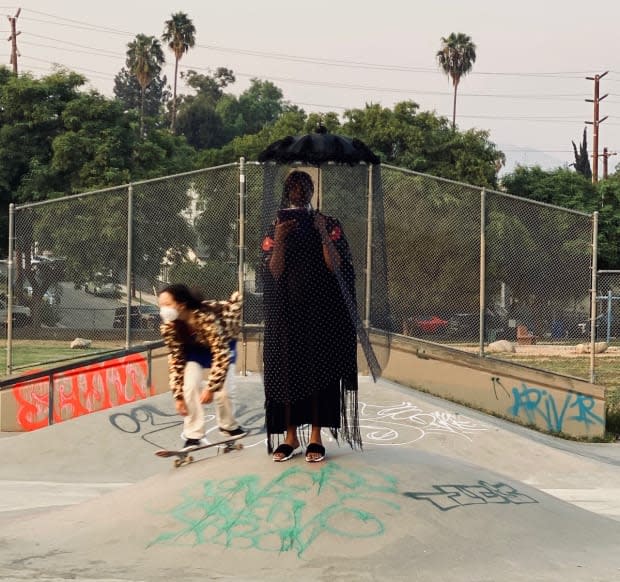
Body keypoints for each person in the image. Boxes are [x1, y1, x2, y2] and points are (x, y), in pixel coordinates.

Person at [260, 170, 361, 463]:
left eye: (303, 186)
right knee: (286, 369)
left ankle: (316, 437)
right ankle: (290, 437)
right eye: (292, 186)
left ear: (311, 191)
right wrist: (279, 239)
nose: (298, 191)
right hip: (285, 313)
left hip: (322, 312)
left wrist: (322, 235)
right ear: (286, 191)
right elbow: (273, 271)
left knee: (321, 370)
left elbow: (336, 266)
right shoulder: (275, 227)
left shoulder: (328, 224)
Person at [158, 284, 245, 450]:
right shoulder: (169, 327)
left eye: (167, 305)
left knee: (223, 393)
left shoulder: (206, 316)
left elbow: (220, 353)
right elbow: (176, 360)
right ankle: (193, 435)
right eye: (160, 305)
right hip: (195, 350)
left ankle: (228, 426)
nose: (163, 310)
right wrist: (178, 397)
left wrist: (211, 388)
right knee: (189, 388)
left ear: (181, 304)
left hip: (222, 344)